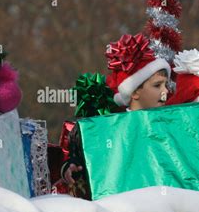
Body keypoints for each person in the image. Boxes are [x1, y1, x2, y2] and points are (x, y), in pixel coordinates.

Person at [61, 33, 171, 186]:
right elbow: (91, 163)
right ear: (134, 92)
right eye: (157, 85)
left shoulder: (170, 125)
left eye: (166, 85)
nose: (165, 91)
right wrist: (73, 165)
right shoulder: (107, 129)